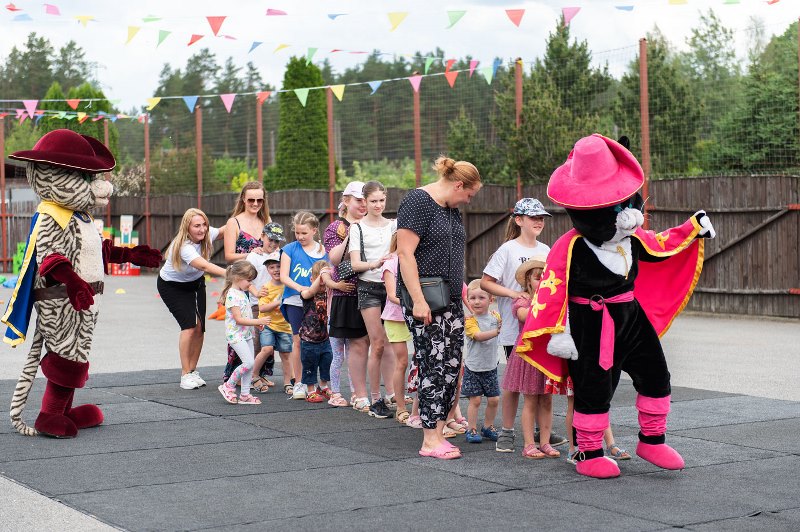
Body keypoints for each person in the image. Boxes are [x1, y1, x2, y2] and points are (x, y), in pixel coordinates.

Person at [397, 155, 482, 460]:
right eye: (469, 194)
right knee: (433, 365)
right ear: (458, 185)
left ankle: (440, 430)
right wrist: (419, 300)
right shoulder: (418, 202)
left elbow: (449, 254)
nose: (469, 201)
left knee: (451, 366)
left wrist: (462, 292)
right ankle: (429, 439)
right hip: (427, 301)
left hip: (451, 300)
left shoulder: (450, 209)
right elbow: (405, 254)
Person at [481, 198, 566, 452]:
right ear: (519, 220)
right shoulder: (507, 250)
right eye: (533, 217)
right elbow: (485, 282)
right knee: (514, 384)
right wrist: (513, 294)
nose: (539, 221)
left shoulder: (547, 249)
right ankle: (507, 431)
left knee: (541, 384)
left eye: (541, 218)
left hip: (541, 331)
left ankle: (541, 432)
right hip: (514, 329)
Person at [158, 208, 227, 390]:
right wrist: (231, 274)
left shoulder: (206, 234)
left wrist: (242, 220)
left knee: (199, 328)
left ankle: (192, 371)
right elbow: (204, 266)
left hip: (195, 283)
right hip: (172, 287)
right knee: (189, 327)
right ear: (187, 227)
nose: (202, 229)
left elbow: (224, 231)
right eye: (197, 226)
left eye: (204, 224)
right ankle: (185, 374)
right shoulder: (184, 247)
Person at [501, 258, 560, 459]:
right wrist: (545, 302)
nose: (542, 281)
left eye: (546, 278)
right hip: (528, 354)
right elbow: (524, 315)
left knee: (547, 399)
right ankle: (528, 444)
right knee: (531, 400)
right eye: (537, 278)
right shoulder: (523, 300)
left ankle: (545, 442)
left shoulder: (553, 300)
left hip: (547, 353)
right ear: (528, 281)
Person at [348, 181, 396, 419]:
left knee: (392, 342)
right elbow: (355, 264)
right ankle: (375, 398)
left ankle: (393, 393)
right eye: (373, 201)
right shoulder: (357, 228)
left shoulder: (394, 225)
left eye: (381, 200)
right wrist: (376, 263)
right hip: (368, 287)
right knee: (377, 343)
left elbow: (402, 253)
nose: (378, 205)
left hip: (392, 286)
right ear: (364, 202)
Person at [322, 182, 367, 409]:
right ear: (346, 201)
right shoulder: (336, 228)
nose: (364, 204)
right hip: (342, 298)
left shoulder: (373, 225)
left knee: (358, 350)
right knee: (338, 351)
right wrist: (352, 234)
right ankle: (336, 392)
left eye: (366, 200)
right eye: (359, 200)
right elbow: (335, 259)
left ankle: (358, 393)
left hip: (366, 295)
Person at [222, 182, 272, 383]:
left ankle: (259, 373)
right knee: (244, 331)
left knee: (264, 330)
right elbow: (228, 256)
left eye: (259, 200)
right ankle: (240, 375)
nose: (255, 203)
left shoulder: (266, 221)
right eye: (251, 199)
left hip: (263, 282)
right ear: (243, 198)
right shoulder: (234, 222)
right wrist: (250, 253)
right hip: (241, 284)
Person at [280, 211, 329, 399]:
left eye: (304, 233)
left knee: (323, 342)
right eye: (297, 232)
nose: (300, 237)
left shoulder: (324, 251)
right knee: (299, 340)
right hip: (295, 300)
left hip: (319, 303)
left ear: (314, 230)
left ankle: (322, 383)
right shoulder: (289, 249)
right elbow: (284, 276)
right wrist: (300, 288)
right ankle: (299, 382)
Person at [217, 261, 271, 405]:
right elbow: (238, 319)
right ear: (237, 277)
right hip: (236, 335)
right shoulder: (232, 295)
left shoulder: (241, 293)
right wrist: (258, 321)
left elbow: (245, 315)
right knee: (248, 363)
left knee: (250, 364)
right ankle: (228, 385)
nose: (250, 283)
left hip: (246, 334)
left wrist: (256, 324)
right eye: (248, 280)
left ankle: (245, 395)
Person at [462, 280, 502, 444]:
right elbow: (478, 336)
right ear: (468, 300)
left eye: (481, 298)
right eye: (472, 298)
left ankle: (488, 426)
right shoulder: (470, 321)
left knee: (494, 400)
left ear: (491, 300)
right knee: (475, 400)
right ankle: (471, 428)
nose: (476, 302)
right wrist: (497, 331)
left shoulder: (495, 317)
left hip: (491, 366)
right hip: (474, 368)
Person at [381, 232, 414, 425]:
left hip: (416, 315)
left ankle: (420, 407)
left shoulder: (417, 259)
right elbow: (392, 295)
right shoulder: (391, 263)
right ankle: (401, 407)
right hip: (396, 317)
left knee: (422, 361)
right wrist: (415, 303)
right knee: (402, 361)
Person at [254, 251, 294, 395]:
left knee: (286, 355)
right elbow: (262, 308)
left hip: (284, 326)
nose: (276, 270)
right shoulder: (266, 288)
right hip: (268, 323)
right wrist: (278, 302)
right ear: (267, 269)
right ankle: (254, 375)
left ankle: (288, 383)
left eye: (279, 266)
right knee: (267, 349)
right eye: (272, 267)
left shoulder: (289, 285)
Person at [298, 261, 334, 403]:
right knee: (309, 365)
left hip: (325, 338)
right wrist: (321, 278)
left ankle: (323, 386)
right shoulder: (306, 293)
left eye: (324, 284)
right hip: (309, 339)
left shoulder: (328, 294)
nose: (322, 287)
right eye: (320, 283)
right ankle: (311, 390)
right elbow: (310, 292)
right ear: (312, 280)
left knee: (327, 362)